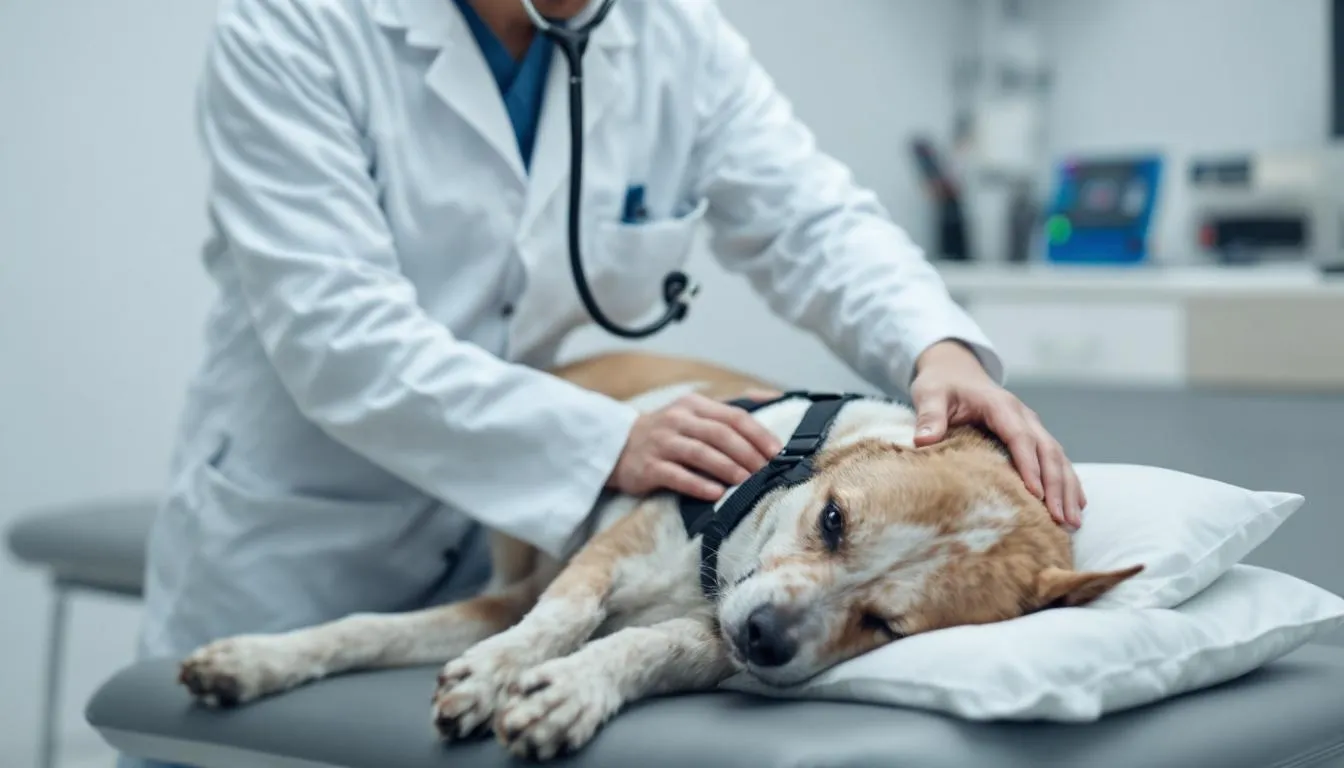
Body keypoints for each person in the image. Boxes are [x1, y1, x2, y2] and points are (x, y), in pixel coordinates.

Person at [122, 0, 1083, 764]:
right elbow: (337, 331)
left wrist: (936, 347)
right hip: (305, 522)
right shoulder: (296, 22)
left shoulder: (671, 34)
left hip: (521, 530)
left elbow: (812, 223)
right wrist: (603, 439)